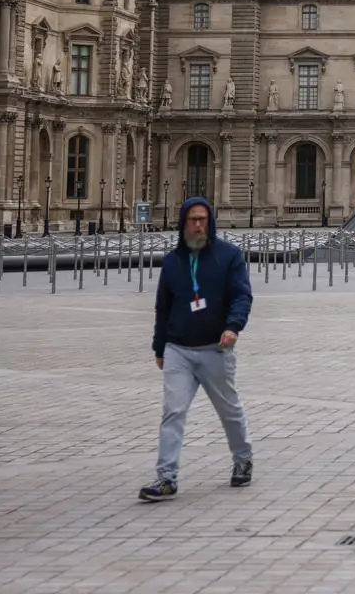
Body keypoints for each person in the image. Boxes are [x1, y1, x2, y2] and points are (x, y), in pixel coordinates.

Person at [139, 196, 254, 502]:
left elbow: (242, 296)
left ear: (210, 221)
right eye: (193, 220)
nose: (198, 225)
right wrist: (159, 346)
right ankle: (167, 477)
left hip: (215, 347)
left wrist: (233, 326)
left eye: (203, 219)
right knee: (173, 412)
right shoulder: (173, 262)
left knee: (229, 410)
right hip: (179, 348)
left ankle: (242, 459)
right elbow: (162, 307)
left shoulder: (229, 256)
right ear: (183, 223)